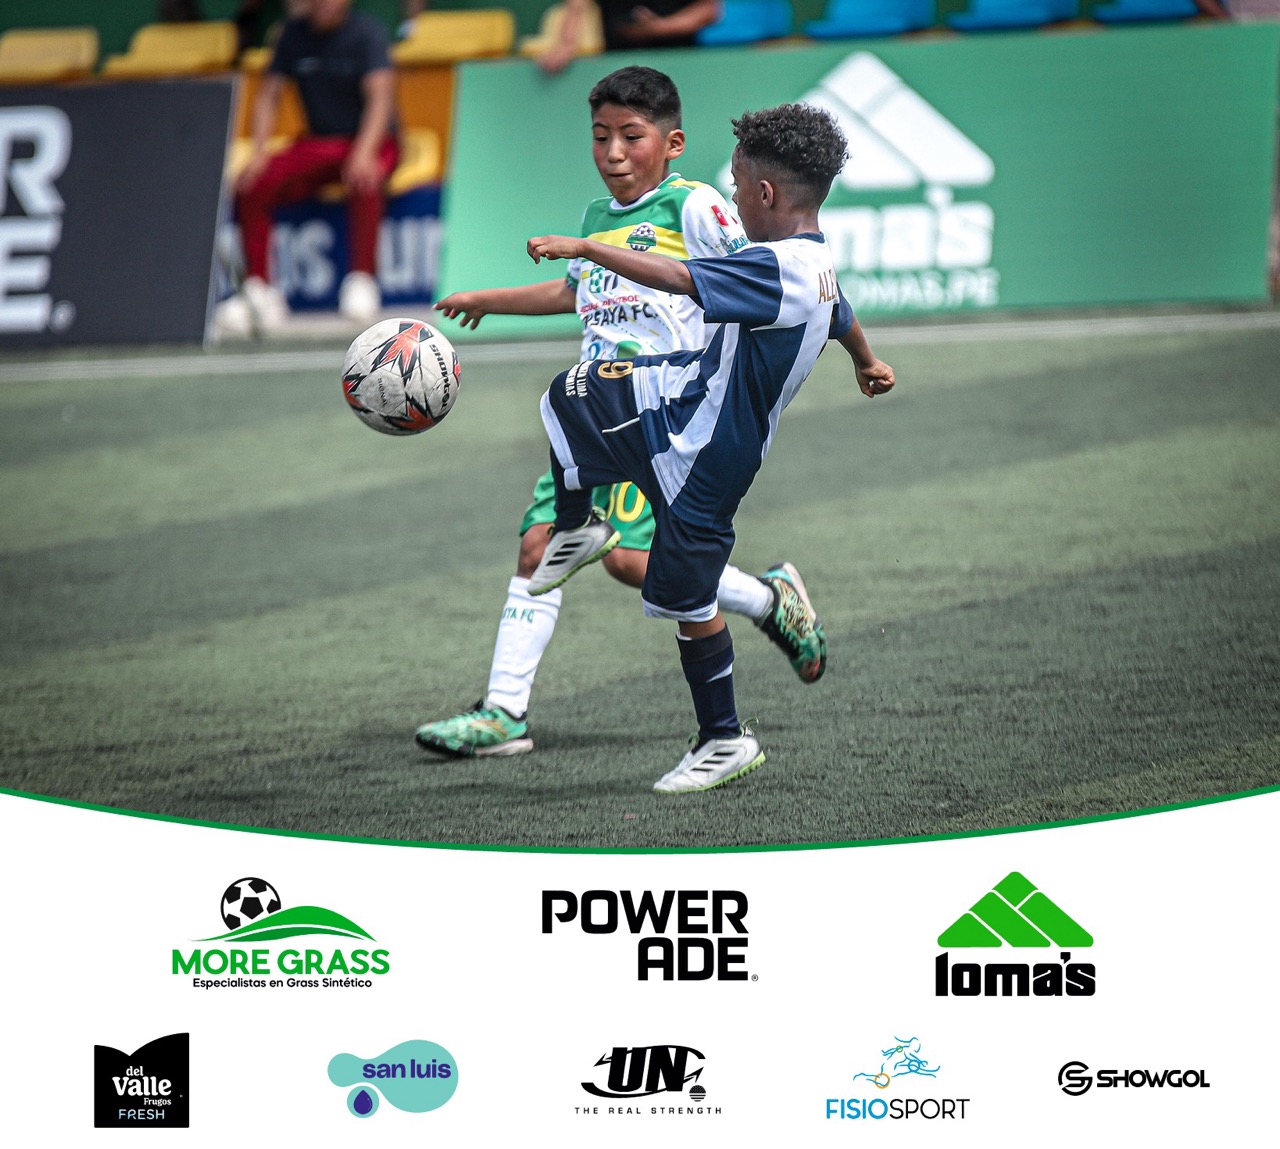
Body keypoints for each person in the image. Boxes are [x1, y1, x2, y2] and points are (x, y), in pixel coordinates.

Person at [415, 67, 828, 760]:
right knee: (550, 545)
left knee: (634, 562)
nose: (612, 152)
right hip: (598, 412)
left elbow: (754, 274)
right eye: (600, 136)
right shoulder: (595, 218)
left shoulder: (694, 207)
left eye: (630, 136)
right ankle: (504, 712)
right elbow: (573, 291)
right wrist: (491, 300)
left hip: (661, 413)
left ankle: (766, 603)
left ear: (671, 143)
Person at [524, 102, 896, 793]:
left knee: (685, 599)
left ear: (766, 193)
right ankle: (576, 527)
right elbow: (839, 309)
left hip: (703, 452)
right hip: (681, 392)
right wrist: (866, 360)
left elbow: (679, 277)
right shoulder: (813, 261)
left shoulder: (776, 269)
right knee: (570, 394)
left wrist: (586, 249)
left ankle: (724, 739)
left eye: (737, 185)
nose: (732, 196)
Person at [220, 0, 398, 332]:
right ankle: (259, 290)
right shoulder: (290, 34)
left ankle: (362, 281)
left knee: (365, 176)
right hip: (319, 144)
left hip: (373, 139)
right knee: (254, 183)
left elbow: (381, 98)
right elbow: (268, 95)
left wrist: (364, 150)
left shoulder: (368, 33)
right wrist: (258, 153)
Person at [538, 0, 721, 74]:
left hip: (681, 66)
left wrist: (659, 27)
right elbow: (577, 5)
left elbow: (709, 9)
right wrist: (566, 44)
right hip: (619, 68)